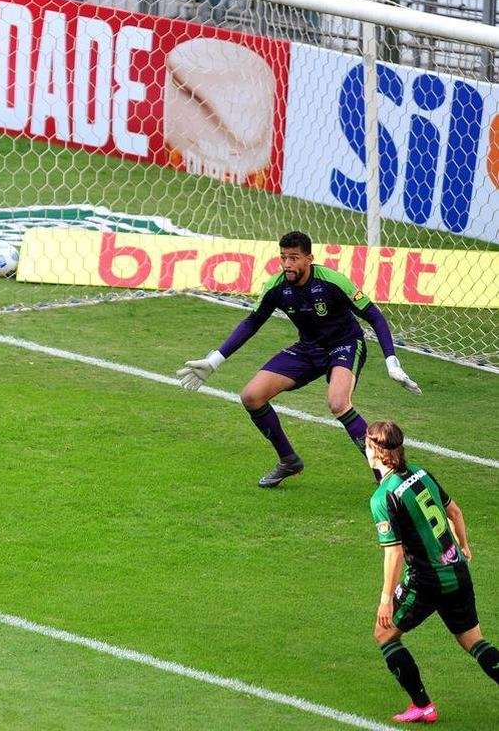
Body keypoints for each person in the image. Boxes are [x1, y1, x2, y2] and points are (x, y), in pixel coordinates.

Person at [177, 231, 421, 488]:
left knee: (338, 403)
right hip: (308, 349)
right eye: (283, 258)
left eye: (294, 258)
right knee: (251, 396)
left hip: (345, 344)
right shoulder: (277, 287)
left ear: (309, 259)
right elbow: (252, 322)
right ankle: (288, 460)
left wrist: (391, 362)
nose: (287, 264)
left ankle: (384, 472)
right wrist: (215, 360)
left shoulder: (332, 281)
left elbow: (375, 316)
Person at [366, 420, 499, 723]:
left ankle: (423, 705)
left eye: (366, 443)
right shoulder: (422, 473)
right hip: (457, 572)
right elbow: (454, 511)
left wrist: (386, 598)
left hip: (426, 582)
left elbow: (395, 551)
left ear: (375, 450)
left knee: (385, 634)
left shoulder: (383, 497)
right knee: (474, 642)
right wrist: (463, 546)